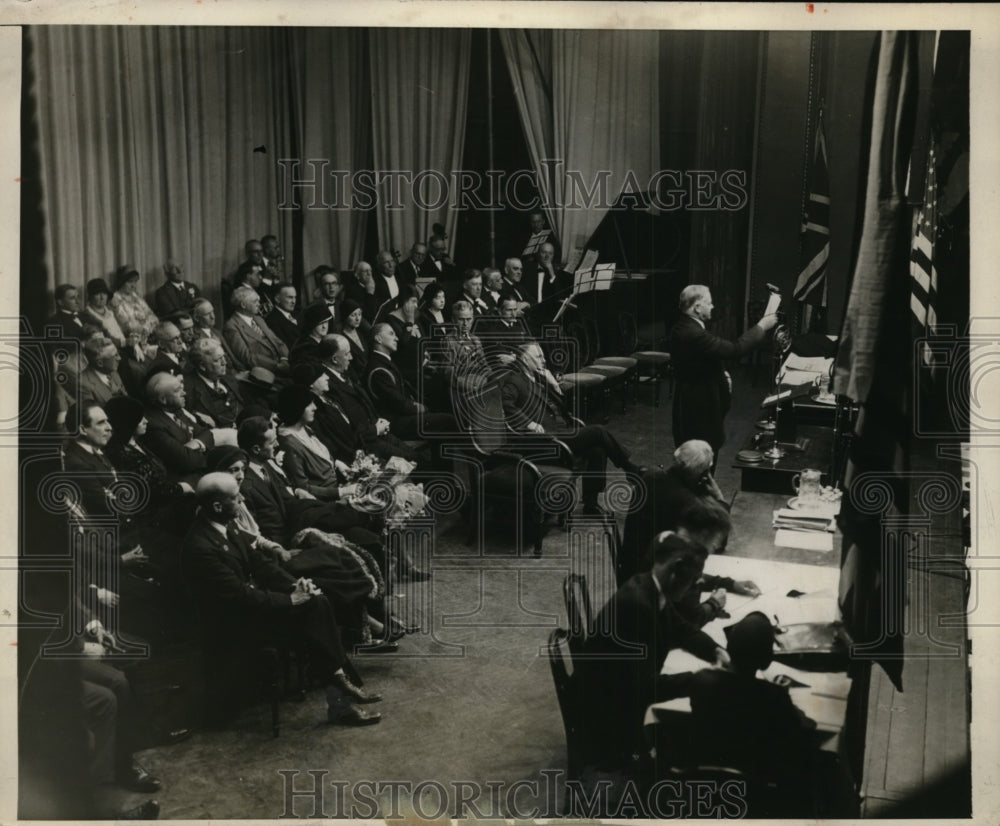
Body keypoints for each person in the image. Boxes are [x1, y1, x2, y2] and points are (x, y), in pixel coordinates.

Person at [181, 473, 382, 726]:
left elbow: (262, 565)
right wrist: (290, 601)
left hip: (252, 609)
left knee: (317, 601)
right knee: (315, 610)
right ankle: (340, 693)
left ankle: (340, 687)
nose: (242, 499)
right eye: (236, 497)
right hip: (233, 624)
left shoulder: (225, 525)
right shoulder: (200, 547)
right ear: (218, 506)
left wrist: (295, 585)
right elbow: (239, 596)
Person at [577, 532, 729, 772]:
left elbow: (682, 629)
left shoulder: (650, 586)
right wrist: (701, 680)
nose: (696, 586)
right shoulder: (639, 607)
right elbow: (646, 687)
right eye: (693, 581)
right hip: (610, 718)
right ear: (674, 572)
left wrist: (715, 650)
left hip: (617, 694)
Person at [658, 611, 818, 802]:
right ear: (766, 660)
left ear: (728, 647)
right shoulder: (773, 695)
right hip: (755, 787)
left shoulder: (702, 681)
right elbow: (806, 728)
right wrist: (788, 700)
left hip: (703, 780)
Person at [499, 342, 645, 514]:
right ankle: (629, 468)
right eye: (538, 357)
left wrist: (553, 385)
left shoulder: (538, 376)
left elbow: (560, 406)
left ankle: (590, 504)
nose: (543, 360)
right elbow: (506, 403)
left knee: (597, 449)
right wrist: (528, 423)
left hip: (560, 431)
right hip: (543, 441)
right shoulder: (515, 380)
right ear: (524, 359)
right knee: (597, 431)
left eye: (543, 356)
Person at [669, 285, 777, 464]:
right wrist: (761, 327)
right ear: (697, 307)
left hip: (693, 404)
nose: (712, 307)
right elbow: (735, 350)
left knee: (697, 461)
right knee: (701, 461)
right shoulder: (693, 333)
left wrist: (720, 372)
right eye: (709, 303)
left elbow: (704, 360)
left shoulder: (685, 326)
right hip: (699, 410)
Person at [620, 439, 729, 584]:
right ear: (704, 474)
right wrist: (719, 497)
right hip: (657, 578)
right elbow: (719, 537)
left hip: (629, 568)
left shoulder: (649, 476)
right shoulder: (687, 502)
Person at [321, 335, 421, 464]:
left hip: (379, 432)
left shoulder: (344, 372)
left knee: (417, 457)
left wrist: (378, 420)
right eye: (347, 354)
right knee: (415, 461)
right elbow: (348, 427)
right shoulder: (327, 385)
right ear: (334, 359)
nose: (351, 358)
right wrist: (375, 429)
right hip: (367, 444)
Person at [223, 285, 290, 375]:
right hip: (264, 372)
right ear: (243, 305)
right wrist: (277, 366)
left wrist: (285, 358)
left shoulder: (258, 319)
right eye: (255, 301)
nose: (259, 304)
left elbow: (277, 341)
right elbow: (247, 357)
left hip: (283, 364)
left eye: (258, 300)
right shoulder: (231, 326)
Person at [184, 337, 245, 428]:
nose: (224, 363)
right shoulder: (190, 390)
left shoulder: (226, 374)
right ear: (202, 366)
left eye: (224, 357)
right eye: (217, 360)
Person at [65, 335, 126, 406]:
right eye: (114, 356)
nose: (119, 358)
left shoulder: (111, 369)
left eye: (117, 354)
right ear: (100, 363)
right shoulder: (82, 384)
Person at [109, 266, 159, 341]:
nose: (133, 285)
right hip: (131, 339)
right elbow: (126, 326)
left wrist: (147, 328)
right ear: (121, 282)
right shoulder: (115, 299)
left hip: (148, 334)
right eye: (130, 282)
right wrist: (145, 328)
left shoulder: (136, 296)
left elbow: (153, 317)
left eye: (135, 282)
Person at [82, 278, 126, 348]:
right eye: (97, 294)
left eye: (104, 293)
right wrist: (125, 342)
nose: (102, 297)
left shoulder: (110, 312)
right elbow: (103, 339)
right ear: (90, 297)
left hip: (125, 348)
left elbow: (123, 329)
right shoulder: (88, 315)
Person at [339, 298, 372, 381]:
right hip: (357, 379)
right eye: (353, 315)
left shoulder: (363, 332)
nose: (358, 319)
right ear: (345, 317)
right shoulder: (341, 338)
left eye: (359, 314)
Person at [265, 283, 300, 349]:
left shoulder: (298, 314)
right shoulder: (272, 321)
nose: (294, 301)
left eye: (295, 297)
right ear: (277, 299)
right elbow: (284, 348)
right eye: (290, 297)